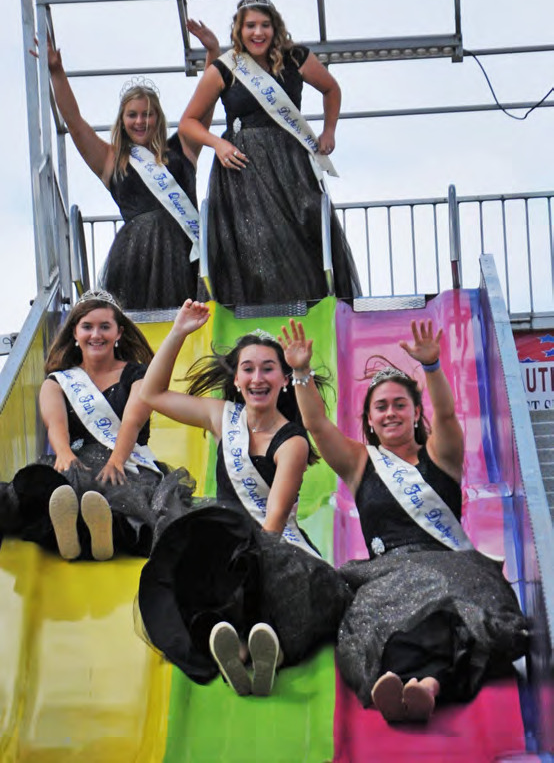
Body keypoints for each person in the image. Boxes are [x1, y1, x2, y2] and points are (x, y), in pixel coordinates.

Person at [280, 318, 528, 722]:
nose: (391, 412)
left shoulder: (441, 455)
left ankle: (424, 689)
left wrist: (431, 367)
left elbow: (446, 416)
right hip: (388, 576)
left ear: (415, 413)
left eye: (400, 404)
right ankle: (416, 687)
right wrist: (301, 373)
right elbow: (316, 425)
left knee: (451, 609)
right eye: (381, 406)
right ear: (371, 420)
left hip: (453, 565)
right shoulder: (361, 463)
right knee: (381, 617)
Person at [136, 298, 350, 697]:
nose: (257, 378)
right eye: (247, 369)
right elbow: (152, 393)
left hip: (270, 544)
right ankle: (236, 649)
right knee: (186, 558)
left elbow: (271, 523)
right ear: (235, 379)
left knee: (268, 581)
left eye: (268, 368)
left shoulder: (293, 443)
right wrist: (179, 331)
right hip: (223, 533)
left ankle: (267, 653)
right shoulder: (222, 416)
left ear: (284, 379)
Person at [179, 0, 361, 307]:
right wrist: (218, 143)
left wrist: (329, 130)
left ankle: (308, 310)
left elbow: (332, 88)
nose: (258, 32)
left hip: (291, 165)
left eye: (264, 25)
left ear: (275, 28)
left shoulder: (296, 57)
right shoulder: (226, 68)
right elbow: (188, 122)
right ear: (239, 29)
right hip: (243, 169)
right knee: (255, 244)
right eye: (250, 25)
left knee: (300, 237)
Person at [35, 21, 219, 309]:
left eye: (147, 114)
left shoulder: (182, 148)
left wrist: (212, 52)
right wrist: (57, 72)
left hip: (183, 254)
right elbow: (75, 124)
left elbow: (205, 103)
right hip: (136, 258)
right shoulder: (112, 159)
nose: (140, 121)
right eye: (132, 115)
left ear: (158, 118)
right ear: (122, 120)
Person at [0, 290, 194, 561]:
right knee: (42, 488)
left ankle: (103, 534)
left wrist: (116, 461)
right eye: (87, 327)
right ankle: (73, 533)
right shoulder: (58, 382)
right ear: (75, 334)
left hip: (126, 462)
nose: (96, 334)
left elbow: (132, 421)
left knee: (127, 501)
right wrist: (65, 454)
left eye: (105, 326)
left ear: (119, 333)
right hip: (76, 461)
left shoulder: (138, 375)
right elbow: (56, 427)